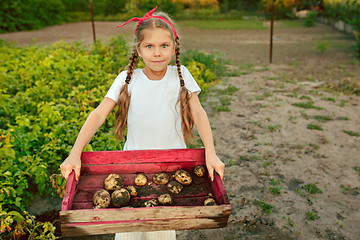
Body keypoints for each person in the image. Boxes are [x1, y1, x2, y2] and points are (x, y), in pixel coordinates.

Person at [60, 6, 225, 240]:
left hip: (170, 172)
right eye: (149, 46)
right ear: (138, 49)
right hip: (132, 170)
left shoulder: (182, 75)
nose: (157, 53)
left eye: (164, 46)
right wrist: (75, 153)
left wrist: (211, 152)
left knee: (161, 232)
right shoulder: (128, 79)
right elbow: (98, 114)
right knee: (128, 233)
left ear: (174, 47)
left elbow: (198, 113)